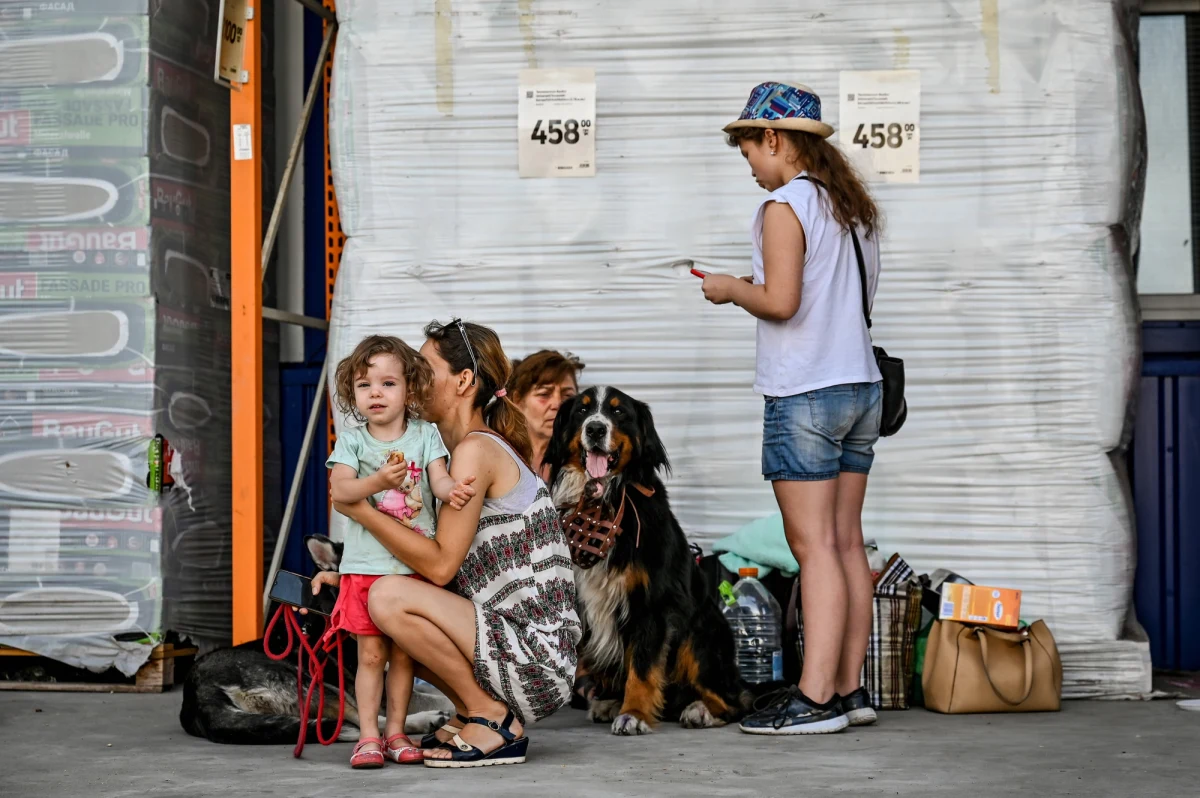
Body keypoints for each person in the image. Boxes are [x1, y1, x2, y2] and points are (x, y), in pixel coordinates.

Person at [701, 82, 884, 735]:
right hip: (860, 388)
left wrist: (729, 290)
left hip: (807, 392)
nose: (748, 161)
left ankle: (815, 699)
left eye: (748, 146)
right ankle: (851, 689)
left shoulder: (785, 206)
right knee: (845, 544)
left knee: (815, 550)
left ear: (774, 139)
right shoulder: (850, 209)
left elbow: (782, 303)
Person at [329, 319, 581, 769]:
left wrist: (361, 510)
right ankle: (471, 708)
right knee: (369, 598)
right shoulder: (441, 455)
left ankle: (492, 716)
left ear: (464, 380)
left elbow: (442, 567)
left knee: (386, 596)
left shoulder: (475, 450)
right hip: (504, 640)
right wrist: (346, 569)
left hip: (537, 657)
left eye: (423, 366)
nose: (412, 376)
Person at [316, 334, 476, 768]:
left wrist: (452, 490)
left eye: (388, 384)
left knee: (405, 656)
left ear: (410, 390)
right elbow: (342, 490)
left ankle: (396, 732)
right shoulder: (353, 441)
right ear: (353, 393)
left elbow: (437, 479)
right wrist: (379, 484)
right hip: (367, 568)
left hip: (411, 569)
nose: (376, 394)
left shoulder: (425, 435)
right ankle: (368, 736)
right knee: (370, 656)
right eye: (365, 385)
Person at [509, 349, 586, 480]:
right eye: (544, 394)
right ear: (517, 400)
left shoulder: (587, 461)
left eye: (568, 396)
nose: (557, 404)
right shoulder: (500, 454)